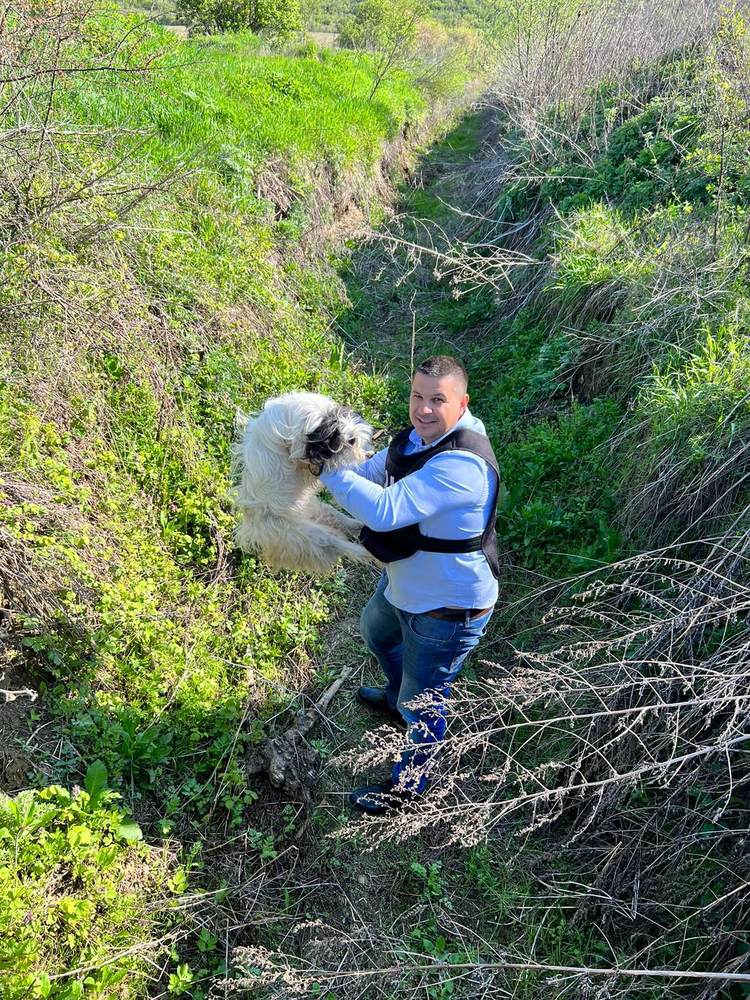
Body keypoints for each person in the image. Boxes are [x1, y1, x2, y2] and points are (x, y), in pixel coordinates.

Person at [319, 355, 500, 815]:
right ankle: (398, 698)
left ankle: (409, 788)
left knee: (426, 704)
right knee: (376, 632)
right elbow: (367, 477)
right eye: (417, 396)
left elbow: (383, 511)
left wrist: (324, 468)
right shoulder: (416, 440)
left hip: (446, 608)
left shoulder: (462, 465)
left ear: (462, 403)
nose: (423, 409)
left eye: (437, 399)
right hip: (406, 583)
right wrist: (332, 461)